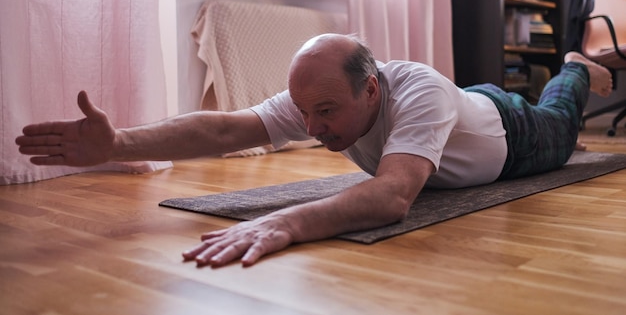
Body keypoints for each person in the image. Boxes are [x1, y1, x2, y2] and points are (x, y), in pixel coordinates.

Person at [16, 34, 613, 268]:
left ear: (371, 88)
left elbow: (392, 196)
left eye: (324, 114)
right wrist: (119, 142)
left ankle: (572, 63)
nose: (310, 125)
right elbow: (225, 130)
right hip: (467, 112)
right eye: (304, 112)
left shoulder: (419, 89)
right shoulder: (317, 94)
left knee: (561, 115)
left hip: (514, 137)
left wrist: (289, 221)